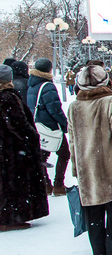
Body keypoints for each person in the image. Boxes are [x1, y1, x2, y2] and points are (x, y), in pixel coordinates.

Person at [68, 64, 112, 255]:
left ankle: (98, 251)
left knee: (92, 209)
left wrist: (75, 165)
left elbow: (72, 139)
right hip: (109, 164)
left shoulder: (74, 106)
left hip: (86, 167)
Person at [0, 64, 49, 231]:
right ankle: (11, 217)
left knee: (5, 183)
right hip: (11, 149)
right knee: (13, 183)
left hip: (4, 148)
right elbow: (17, 123)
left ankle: (7, 216)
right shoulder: (7, 97)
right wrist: (32, 137)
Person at [27, 58, 70, 196]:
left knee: (42, 157)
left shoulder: (32, 85)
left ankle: (46, 185)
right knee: (64, 154)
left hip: (38, 126)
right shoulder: (47, 86)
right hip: (51, 127)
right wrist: (65, 125)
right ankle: (58, 185)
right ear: (49, 69)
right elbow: (55, 109)